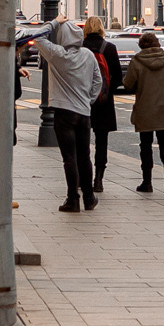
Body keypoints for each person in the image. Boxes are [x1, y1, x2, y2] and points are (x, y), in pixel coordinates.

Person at [34, 17, 102, 212]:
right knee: (84, 156)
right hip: (84, 113)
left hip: (64, 113)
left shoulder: (57, 54)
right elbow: (98, 81)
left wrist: (54, 22)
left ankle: (73, 198)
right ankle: (89, 198)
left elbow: (38, 37)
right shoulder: (88, 55)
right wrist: (89, 99)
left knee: (69, 158)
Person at [125, 32, 164, 192]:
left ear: (141, 46)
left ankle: (147, 182)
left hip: (145, 109)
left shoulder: (137, 61)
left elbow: (128, 84)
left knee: (145, 145)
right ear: (157, 44)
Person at [81, 16, 122, 196]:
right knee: (101, 141)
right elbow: (118, 78)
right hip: (103, 102)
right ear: (101, 28)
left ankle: (83, 178)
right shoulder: (110, 48)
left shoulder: (80, 48)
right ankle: (98, 179)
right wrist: (105, 92)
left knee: (81, 141)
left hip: (81, 100)